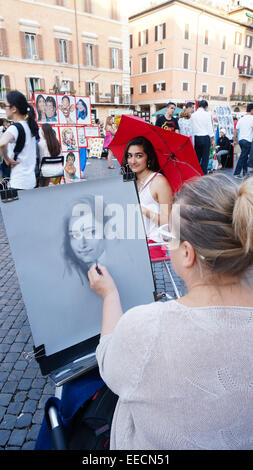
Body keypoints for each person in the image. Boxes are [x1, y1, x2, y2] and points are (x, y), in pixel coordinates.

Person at [87, 172, 253, 450]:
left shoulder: (149, 328)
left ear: (187, 253)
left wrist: (110, 295)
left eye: (169, 236)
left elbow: (107, 360)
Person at [121, 136, 172, 258]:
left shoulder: (159, 182)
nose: (133, 161)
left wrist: (144, 210)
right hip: (133, 239)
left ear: (148, 157)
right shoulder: (130, 181)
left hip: (154, 242)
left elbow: (168, 222)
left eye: (139, 156)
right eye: (129, 156)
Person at [63, 195, 112, 284]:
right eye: (74, 235)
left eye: (91, 232)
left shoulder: (123, 264)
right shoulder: (68, 274)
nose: (82, 244)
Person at [0, 90, 39, 190]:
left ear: (13, 109)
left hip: (18, 182)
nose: (4, 108)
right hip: (30, 181)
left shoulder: (14, 128)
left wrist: (6, 159)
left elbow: (2, 143)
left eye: (5, 105)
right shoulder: (30, 126)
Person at [191, 100, 214, 175]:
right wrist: (212, 139)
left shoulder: (193, 115)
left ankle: (196, 172)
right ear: (206, 106)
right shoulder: (207, 114)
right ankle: (203, 174)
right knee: (205, 158)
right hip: (205, 137)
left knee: (197, 157)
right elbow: (210, 127)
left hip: (196, 138)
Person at [233, 103, 253, 179]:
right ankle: (237, 173)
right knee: (243, 156)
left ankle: (245, 172)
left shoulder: (241, 118)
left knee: (244, 156)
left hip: (241, 140)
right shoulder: (252, 118)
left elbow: (236, 130)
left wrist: (235, 139)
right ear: (252, 110)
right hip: (248, 140)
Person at [38, 123, 61, 187]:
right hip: (57, 170)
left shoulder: (40, 144)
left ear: (43, 132)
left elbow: (39, 159)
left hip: (45, 172)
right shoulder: (57, 143)